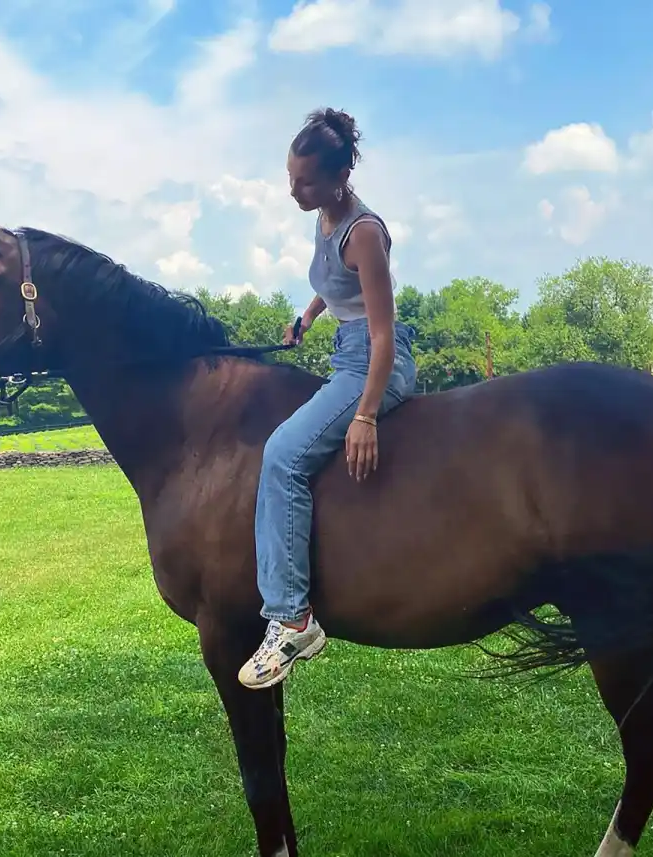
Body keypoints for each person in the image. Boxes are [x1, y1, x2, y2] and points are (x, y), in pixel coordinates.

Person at [238, 108, 418, 689]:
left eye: (307, 183)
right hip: (346, 347)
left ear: (341, 177)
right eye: (291, 180)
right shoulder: (323, 218)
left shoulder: (363, 232)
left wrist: (365, 413)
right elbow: (330, 286)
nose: (295, 192)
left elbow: (384, 334)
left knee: (283, 456)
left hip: (373, 361)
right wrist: (307, 317)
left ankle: (292, 619)